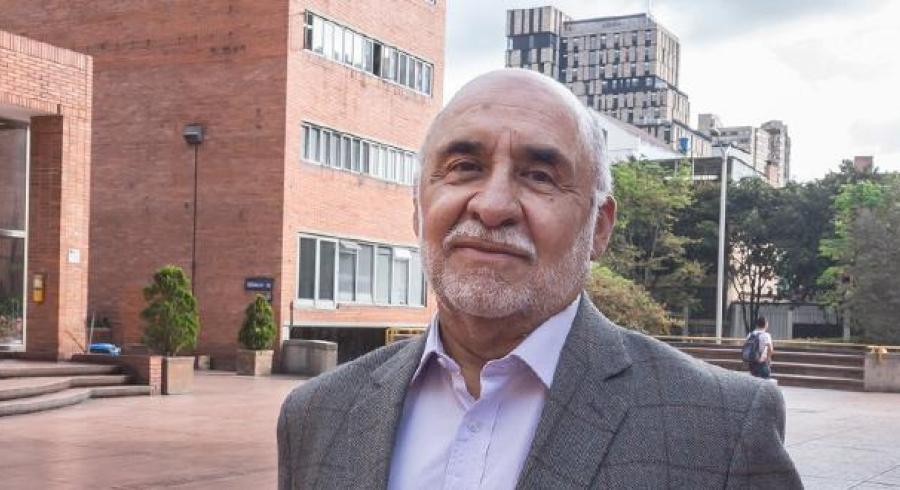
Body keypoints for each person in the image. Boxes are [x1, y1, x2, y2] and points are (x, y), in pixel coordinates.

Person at [277, 69, 801, 489]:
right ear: (418, 208)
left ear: (599, 227)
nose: (493, 206)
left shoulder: (721, 428)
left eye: (540, 176)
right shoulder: (316, 415)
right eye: (464, 167)